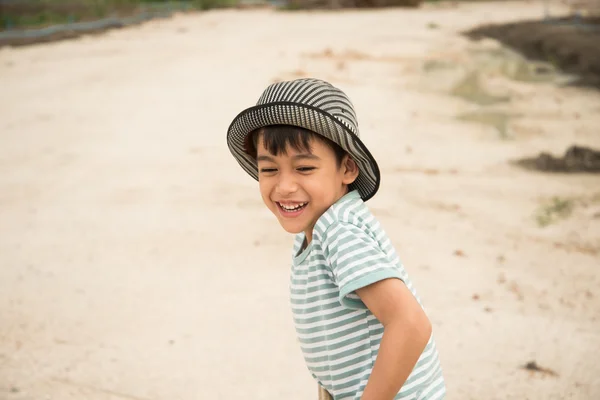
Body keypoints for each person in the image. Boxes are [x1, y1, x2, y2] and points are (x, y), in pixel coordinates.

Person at [226, 78, 445, 400]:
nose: (285, 186)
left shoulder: (340, 232)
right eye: (270, 170)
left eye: (304, 167)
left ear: (347, 169)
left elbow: (410, 324)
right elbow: (332, 344)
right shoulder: (318, 229)